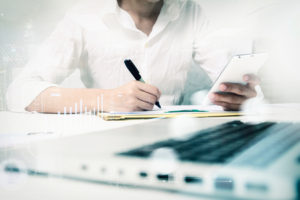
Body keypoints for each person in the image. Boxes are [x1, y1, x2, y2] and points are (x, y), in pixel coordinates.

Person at [6, 0, 259, 113]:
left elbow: (227, 74)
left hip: (176, 143)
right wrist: (106, 98)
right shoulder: (83, 16)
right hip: (105, 148)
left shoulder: (190, 11)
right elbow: (19, 92)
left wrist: (239, 95)